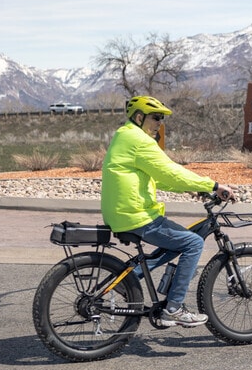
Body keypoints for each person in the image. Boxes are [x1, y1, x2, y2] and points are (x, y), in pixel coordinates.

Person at [101, 95, 235, 328]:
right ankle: (173, 309)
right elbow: (169, 171)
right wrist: (212, 185)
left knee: (175, 242)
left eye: (161, 119)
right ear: (139, 117)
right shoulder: (139, 140)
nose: (159, 123)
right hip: (135, 214)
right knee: (193, 243)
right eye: (155, 118)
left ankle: (129, 279)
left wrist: (191, 189)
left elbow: (157, 177)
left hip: (123, 212)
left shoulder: (125, 135)